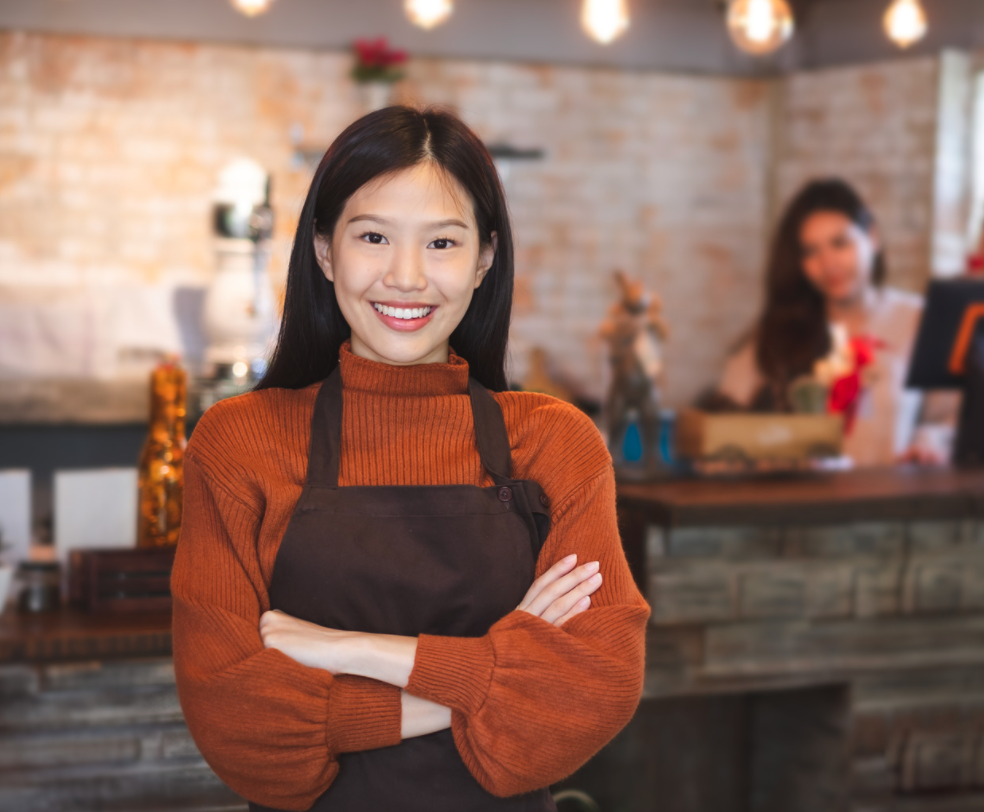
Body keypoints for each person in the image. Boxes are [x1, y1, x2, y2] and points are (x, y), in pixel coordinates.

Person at [172, 106, 649, 812]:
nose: (405, 277)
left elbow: (597, 688)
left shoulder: (555, 444)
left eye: (442, 244)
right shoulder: (240, 442)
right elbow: (237, 724)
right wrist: (493, 675)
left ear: (484, 259)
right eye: (373, 236)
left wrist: (350, 650)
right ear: (326, 251)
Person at [716, 179, 949, 466]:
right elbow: (724, 430)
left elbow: (950, 417)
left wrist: (929, 442)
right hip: (805, 505)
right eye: (810, 251)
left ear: (872, 237)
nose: (828, 264)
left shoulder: (919, 320)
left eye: (840, 243)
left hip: (895, 501)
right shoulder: (779, 333)